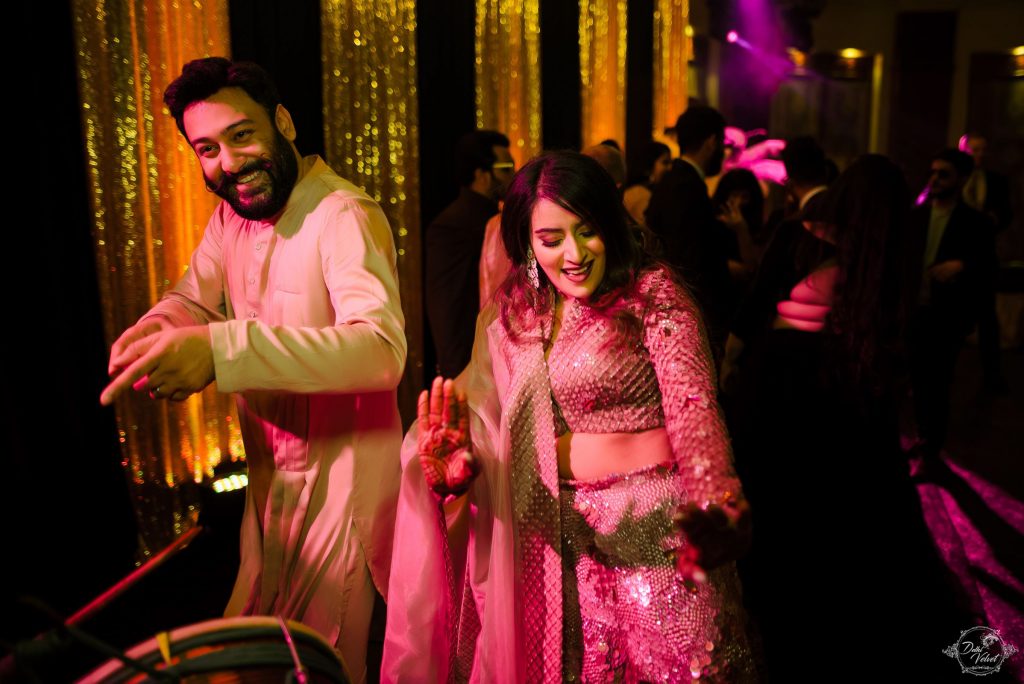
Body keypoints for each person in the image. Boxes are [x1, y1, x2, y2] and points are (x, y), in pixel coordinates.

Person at [383, 151, 755, 682]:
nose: (574, 254)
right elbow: (484, 416)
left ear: (609, 223)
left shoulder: (653, 297)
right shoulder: (514, 314)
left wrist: (717, 496)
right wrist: (461, 466)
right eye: (551, 239)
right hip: (559, 553)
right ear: (527, 244)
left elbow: (693, 410)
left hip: (655, 541)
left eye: (587, 232)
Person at [99, 57, 406, 681]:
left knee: (316, 665)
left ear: (283, 123)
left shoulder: (342, 213)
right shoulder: (231, 215)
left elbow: (381, 350)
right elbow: (193, 295)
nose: (229, 163)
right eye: (207, 148)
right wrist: (156, 331)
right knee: (254, 656)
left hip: (342, 494)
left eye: (242, 135)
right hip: (270, 491)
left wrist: (219, 351)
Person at [726, 155, 967, 679]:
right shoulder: (885, 260)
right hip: (852, 429)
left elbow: (752, 317)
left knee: (787, 549)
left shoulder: (797, 239)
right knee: (870, 561)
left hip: (783, 416)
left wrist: (733, 373)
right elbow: (892, 355)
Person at [908, 148, 989, 459]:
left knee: (938, 382)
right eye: (933, 172)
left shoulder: (975, 222)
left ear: (962, 179)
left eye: (944, 174)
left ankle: (931, 446)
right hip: (914, 311)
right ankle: (920, 436)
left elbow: (987, 266)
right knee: (916, 379)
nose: (935, 179)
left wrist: (962, 265)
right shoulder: (916, 216)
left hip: (946, 316)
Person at [645, 106, 734, 357]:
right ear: (712, 142)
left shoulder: (670, 182)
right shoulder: (688, 188)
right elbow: (690, 258)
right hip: (691, 313)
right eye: (722, 143)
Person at [426, 130, 514, 378]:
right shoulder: (453, 226)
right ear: (481, 175)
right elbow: (447, 308)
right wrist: (458, 377)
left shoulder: (507, 219)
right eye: (506, 168)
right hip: (473, 369)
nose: (514, 176)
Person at [622, 140, 672, 226]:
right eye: (665, 162)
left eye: (671, 162)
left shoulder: (642, 190)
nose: (670, 168)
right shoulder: (641, 194)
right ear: (650, 164)